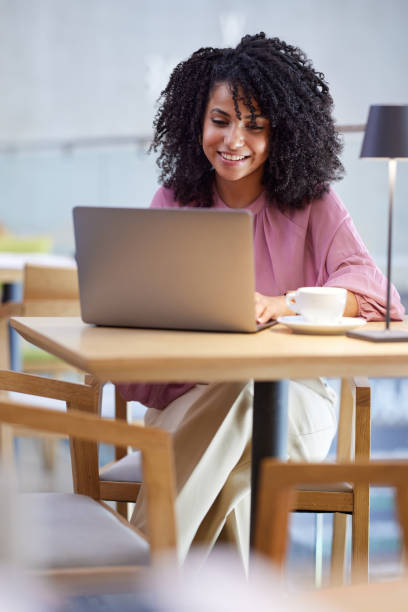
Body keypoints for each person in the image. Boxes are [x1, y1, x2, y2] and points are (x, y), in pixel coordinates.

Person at [117, 33, 405, 568]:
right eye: (221, 120)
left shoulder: (314, 203)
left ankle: (135, 570)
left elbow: (379, 297)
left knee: (249, 388)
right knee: (233, 480)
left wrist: (285, 303)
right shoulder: (173, 203)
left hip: (292, 407)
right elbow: (141, 315)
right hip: (187, 400)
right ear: (195, 122)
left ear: (281, 134)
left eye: (255, 125)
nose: (234, 139)